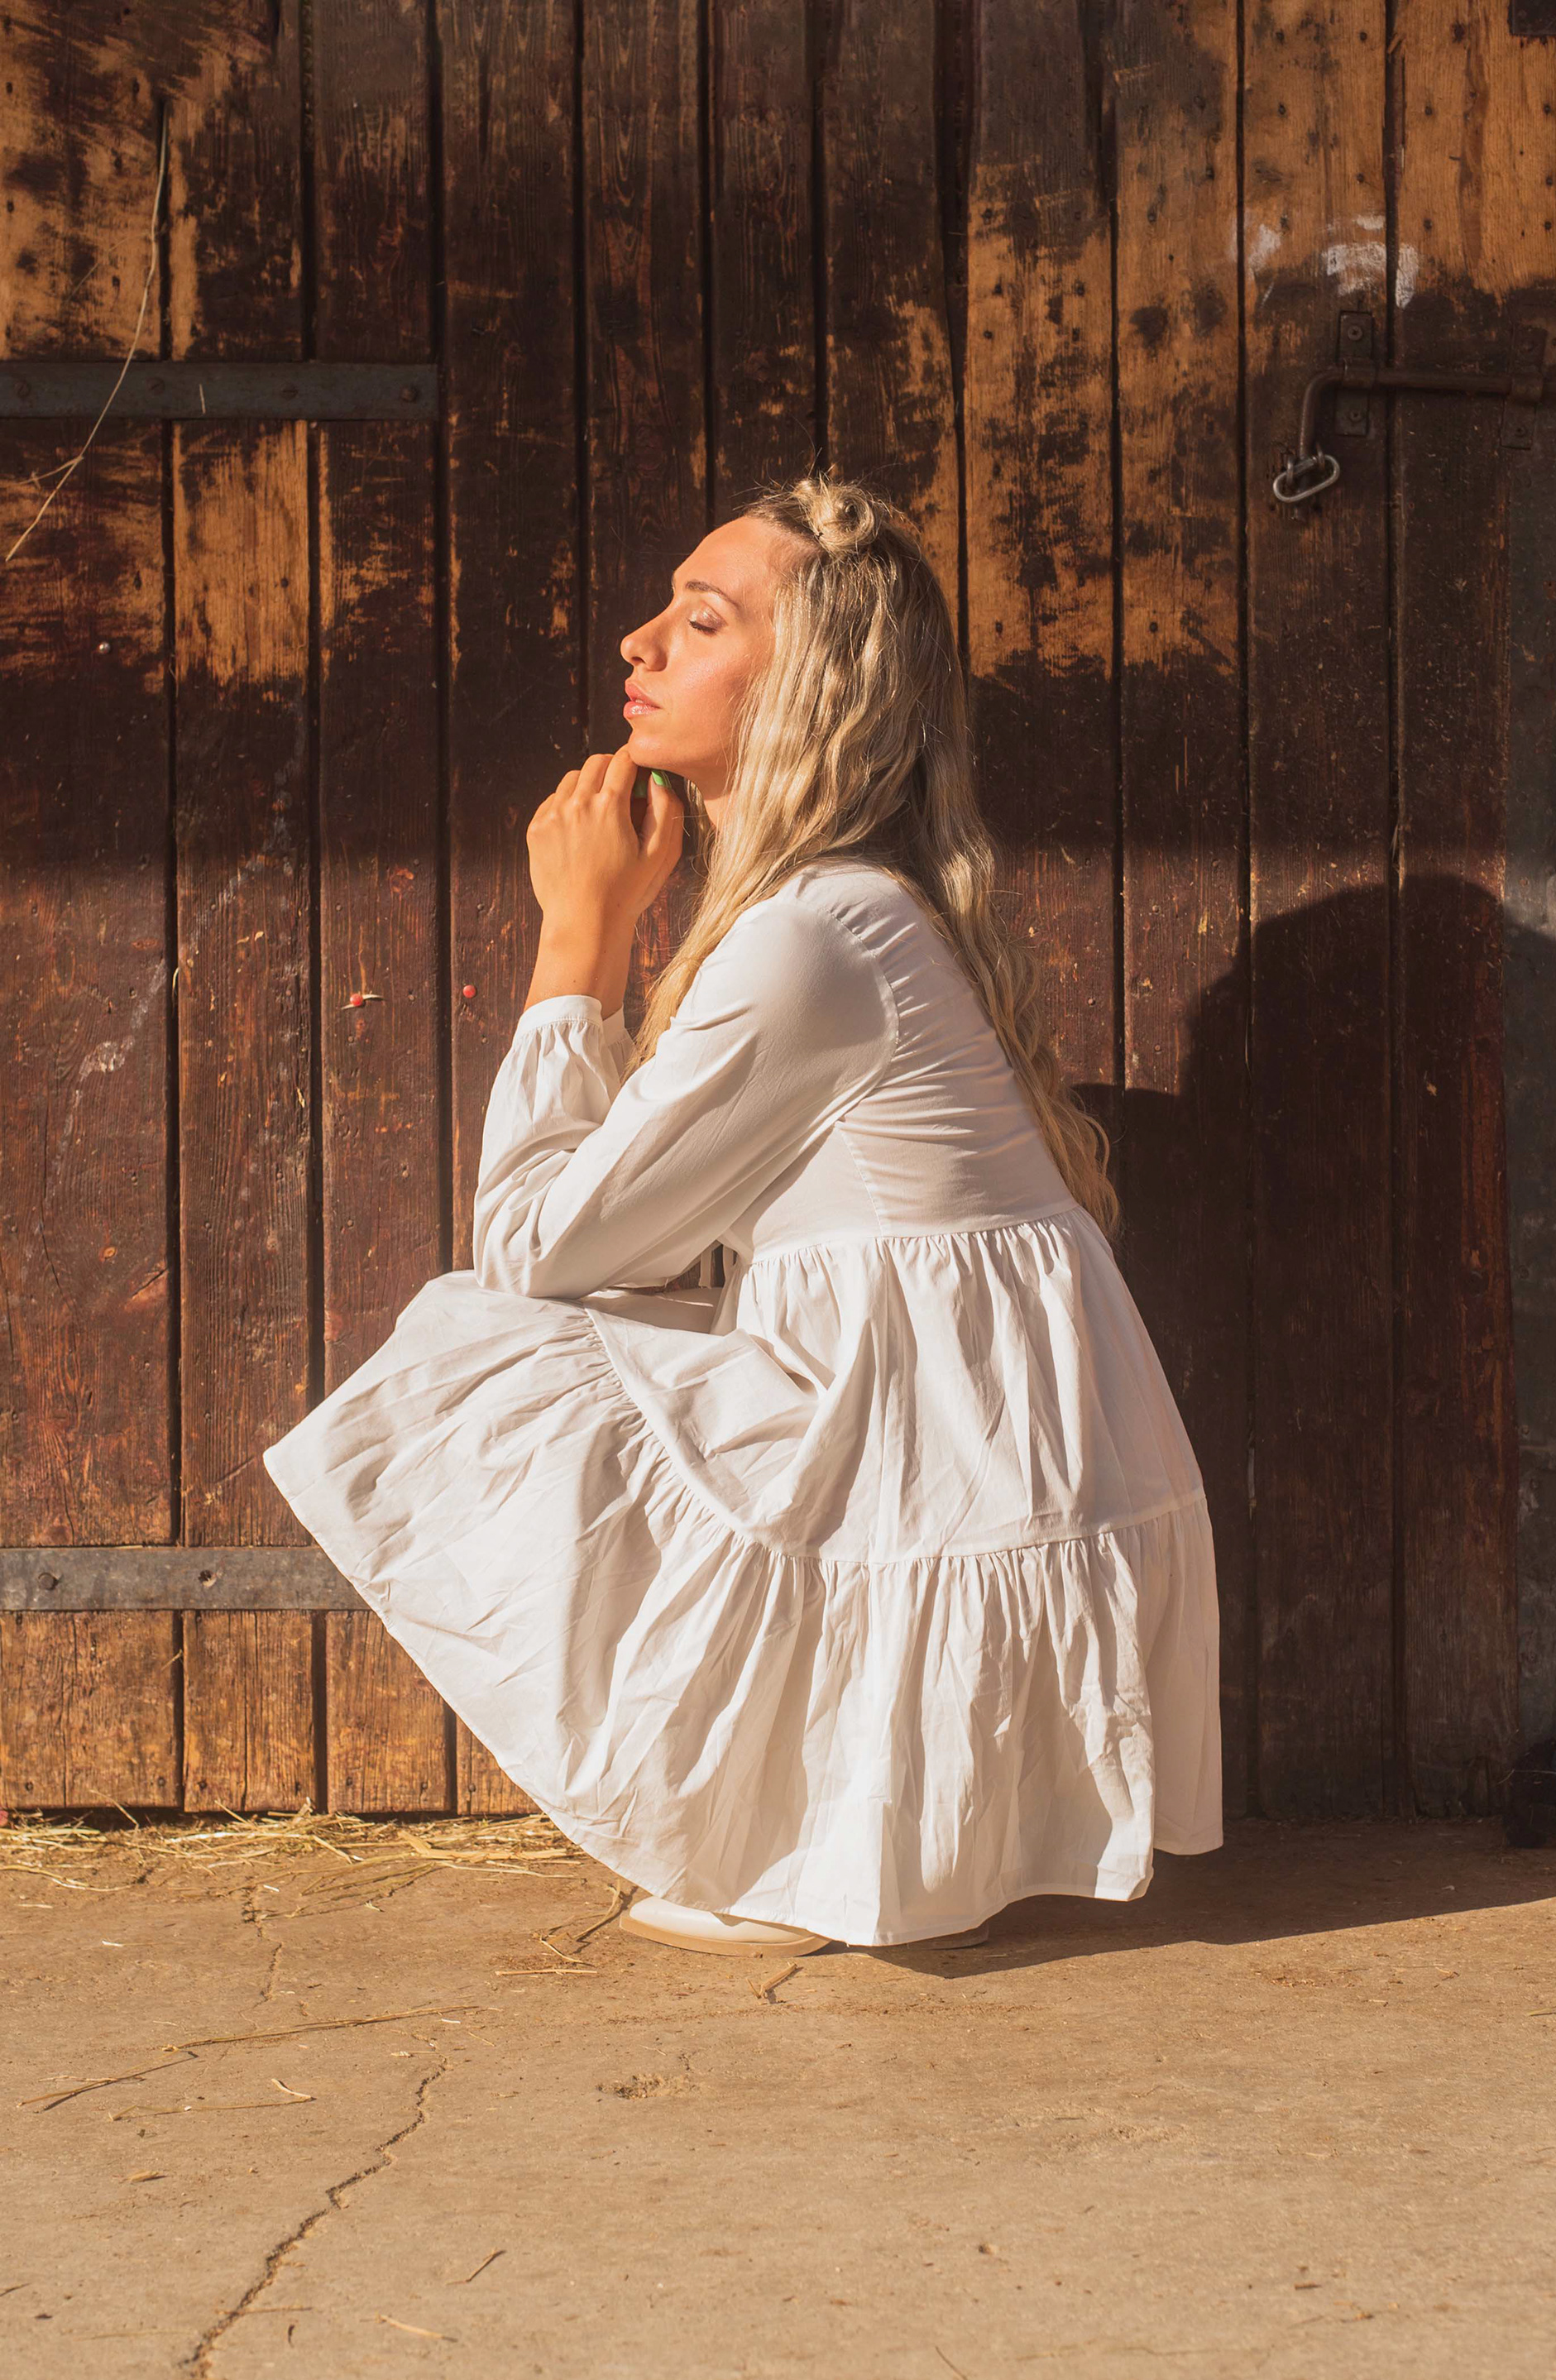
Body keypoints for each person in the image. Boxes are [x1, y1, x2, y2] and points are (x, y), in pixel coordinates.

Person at [261, 473, 1222, 1958]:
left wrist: (580, 933)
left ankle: (812, 1840)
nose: (639, 644)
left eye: (701, 620)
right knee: (594, 1333)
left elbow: (534, 1250)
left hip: (942, 1460)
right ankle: (816, 1819)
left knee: (478, 1346)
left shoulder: (816, 937)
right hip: (938, 1438)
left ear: (810, 687)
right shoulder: (843, 911)